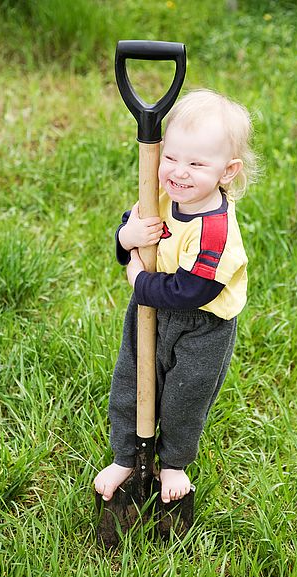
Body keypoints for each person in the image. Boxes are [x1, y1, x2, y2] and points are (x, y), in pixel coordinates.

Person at [94, 89, 257, 504]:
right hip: (149, 309)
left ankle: (173, 464)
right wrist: (126, 237)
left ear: (227, 171)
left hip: (203, 325)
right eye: (172, 158)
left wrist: (138, 282)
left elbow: (192, 290)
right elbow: (131, 223)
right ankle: (127, 457)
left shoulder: (216, 231)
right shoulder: (161, 194)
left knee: (185, 395)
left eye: (197, 164)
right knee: (130, 383)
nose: (179, 172)